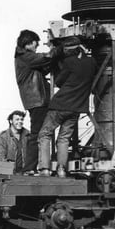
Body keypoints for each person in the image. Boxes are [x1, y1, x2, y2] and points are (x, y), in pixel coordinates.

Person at [38, 36, 97, 177]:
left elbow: (58, 81)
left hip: (60, 105)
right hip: (77, 108)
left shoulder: (69, 62)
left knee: (44, 134)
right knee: (64, 138)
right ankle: (61, 170)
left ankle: (45, 169)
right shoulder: (92, 62)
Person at [14, 29, 61, 174]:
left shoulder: (24, 58)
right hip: (37, 100)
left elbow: (44, 67)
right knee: (37, 134)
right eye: (35, 44)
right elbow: (46, 57)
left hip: (36, 101)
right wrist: (58, 48)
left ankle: (33, 166)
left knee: (39, 133)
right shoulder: (26, 57)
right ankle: (29, 167)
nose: (36, 48)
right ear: (28, 43)